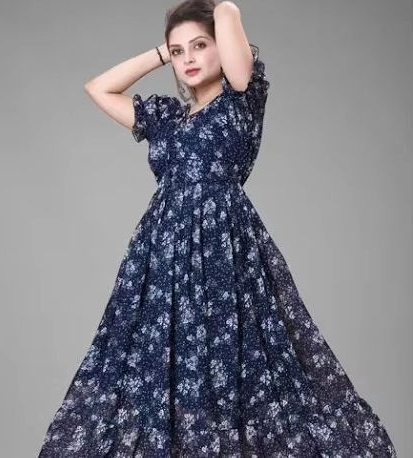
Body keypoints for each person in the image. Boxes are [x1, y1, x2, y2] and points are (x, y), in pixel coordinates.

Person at [37, 0, 397, 456]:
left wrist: (220, 10)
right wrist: (162, 52)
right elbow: (99, 88)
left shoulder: (242, 99)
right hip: (162, 263)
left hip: (224, 254)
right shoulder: (167, 119)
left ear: (222, 46)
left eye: (200, 46)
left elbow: (234, 45)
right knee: (157, 374)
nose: (188, 58)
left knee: (232, 371)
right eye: (179, 51)